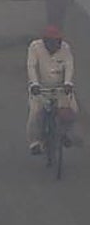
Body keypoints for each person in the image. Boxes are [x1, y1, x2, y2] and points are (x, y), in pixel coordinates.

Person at [27, 24, 78, 155]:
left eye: (57, 42)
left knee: (72, 110)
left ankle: (65, 133)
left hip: (61, 88)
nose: (55, 45)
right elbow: (31, 66)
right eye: (51, 42)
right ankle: (35, 142)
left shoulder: (65, 48)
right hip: (41, 88)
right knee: (35, 113)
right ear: (45, 41)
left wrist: (68, 82)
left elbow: (69, 65)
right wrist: (34, 84)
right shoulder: (35, 47)